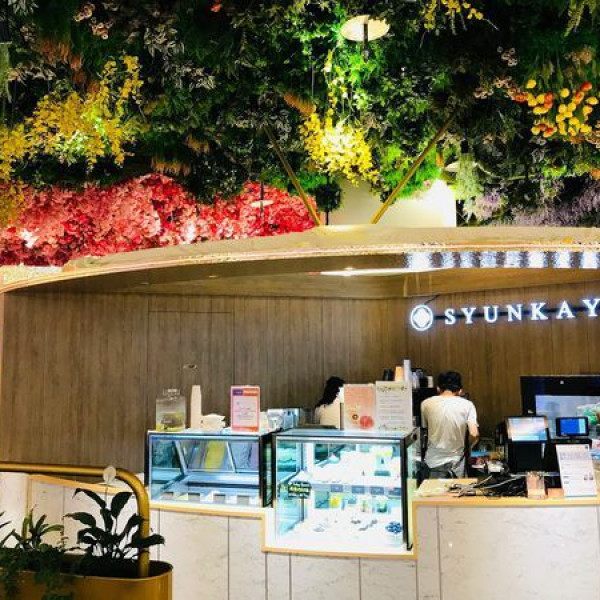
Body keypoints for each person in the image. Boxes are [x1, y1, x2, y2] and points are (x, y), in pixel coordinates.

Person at [421, 371, 479, 478]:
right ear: (460, 390)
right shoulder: (468, 405)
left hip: (432, 462)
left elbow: (425, 429)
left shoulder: (425, 404)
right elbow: (474, 434)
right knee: (457, 489)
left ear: (438, 388)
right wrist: (468, 448)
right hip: (456, 463)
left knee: (433, 489)